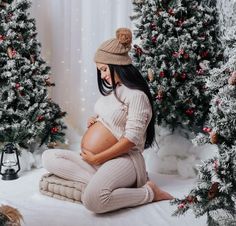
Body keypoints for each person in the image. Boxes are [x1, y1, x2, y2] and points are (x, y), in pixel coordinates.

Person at [42, 28, 173, 214]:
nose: (103, 75)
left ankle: (149, 192)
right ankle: (103, 181)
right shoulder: (115, 91)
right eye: (100, 70)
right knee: (48, 157)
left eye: (104, 69)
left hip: (125, 160)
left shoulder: (136, 96)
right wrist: (96, 121)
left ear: (117, 64)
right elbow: (113, 120)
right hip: (100, 162)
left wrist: (97, 157)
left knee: (93, 200)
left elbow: (130, 140)